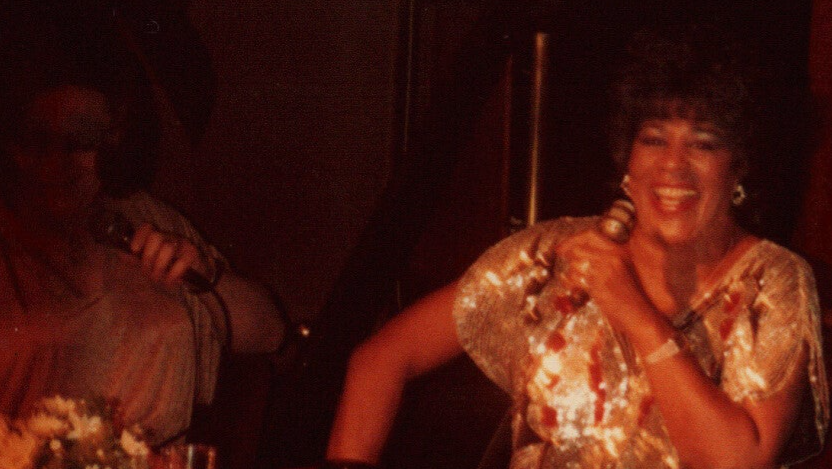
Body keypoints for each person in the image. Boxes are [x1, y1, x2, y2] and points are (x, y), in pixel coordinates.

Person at [324, 25, 828, 469]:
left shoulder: (772, 281)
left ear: (740, 166)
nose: (673, 165)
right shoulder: (552, 255)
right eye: (654, 139)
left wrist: (632, 309)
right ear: (627, 160)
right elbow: (382, 359)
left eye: (704, 143)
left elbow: (737, 460)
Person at [0, 39, 285, 446]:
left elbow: (270, 333)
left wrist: (205, 274)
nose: (60, 164)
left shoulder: (142, 218)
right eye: (41, 141)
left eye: (83, 141)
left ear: (112, 143)